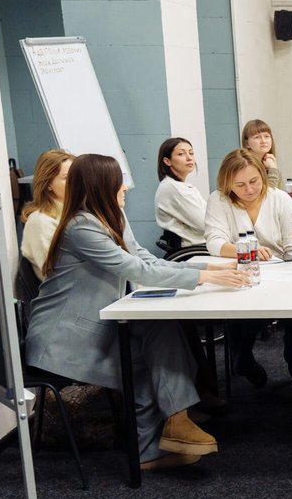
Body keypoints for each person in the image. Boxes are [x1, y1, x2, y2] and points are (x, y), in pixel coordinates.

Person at [25, 154, 247, 471]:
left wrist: (208, 267)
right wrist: (203, 277)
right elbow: (134, 268)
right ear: (101, 187)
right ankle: (161, 437)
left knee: (160, 330)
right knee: (145, 359)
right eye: (119, 182)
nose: (126, 188)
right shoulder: (80, 227)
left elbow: (144, 257)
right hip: (63, 339)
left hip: (94, 326)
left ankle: (174, 424)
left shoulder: (108, 217)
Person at [205, 148, 292, 386]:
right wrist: (246, 251)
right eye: (239, 185)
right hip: (242, 273)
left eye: (254, 181)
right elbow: (215, 242)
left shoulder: (280, 198)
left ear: (263, 175)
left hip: (282, 272)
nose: (249, 190)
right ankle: (242, 358)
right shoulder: (218, 200)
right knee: (241, 313)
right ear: (227, 184)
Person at [20, 149, 74, 280]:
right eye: (67, 178)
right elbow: (56, 273)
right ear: (48, 184)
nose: (75, 182)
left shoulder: (77, 214)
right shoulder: (40, 221)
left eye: (77, 176)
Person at [153, 137, 208, 247]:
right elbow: (205, 224)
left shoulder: (182, 186)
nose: (189, 158)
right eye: (181, 154)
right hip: (194, 250)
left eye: (191, 153)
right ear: (167, 161)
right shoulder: (172, 188)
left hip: (203, 245)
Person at [242, 118, 283, 191]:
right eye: (257, 137)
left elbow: (279, 193)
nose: (263, 141)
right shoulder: (244, 164)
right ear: (247, 143)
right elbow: (267, 195)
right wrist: (273, 170)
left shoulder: (269, 161)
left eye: (266, 136)